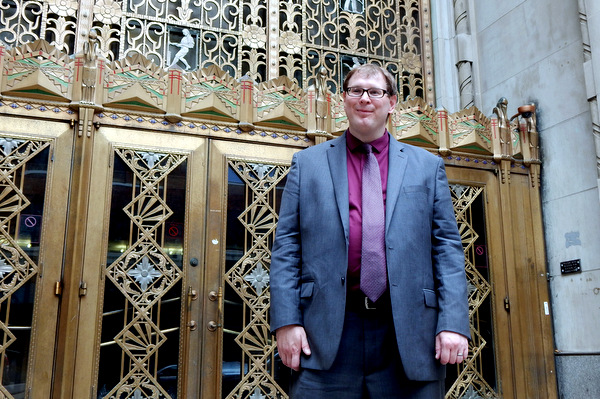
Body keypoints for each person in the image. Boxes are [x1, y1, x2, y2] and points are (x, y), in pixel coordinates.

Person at [269, 64, 470, 398]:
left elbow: (446, 248)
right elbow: (287, 248)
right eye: (355, 90)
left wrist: (452, 323)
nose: (365, 98)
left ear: (391, 102)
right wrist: (286, 322)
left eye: (374, 91)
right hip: (324, 334)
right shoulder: (307, 164)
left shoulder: (426, 166)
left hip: (409, 334)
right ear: (343, 100)